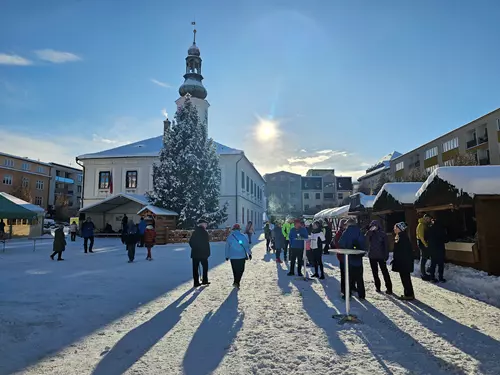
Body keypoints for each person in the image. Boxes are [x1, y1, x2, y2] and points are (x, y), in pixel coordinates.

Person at [339, 218, 366, 299]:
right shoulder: (359, 231)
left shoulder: (346, 232)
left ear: (349, 224)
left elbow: (341, 243)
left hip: (349, 259)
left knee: (348, 277)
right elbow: (363, 243)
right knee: (359, 278)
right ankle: (362, 295)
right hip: (358, 258)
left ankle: (348, 294)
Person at [366, 220, 393, 294]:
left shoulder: (383, 234)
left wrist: (386, 255)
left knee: (385, 272)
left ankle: (389, 288)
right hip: (372, 256)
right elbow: (366, 240)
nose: (373, 227)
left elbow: (386, 246)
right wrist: (369, 231)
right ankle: (377, 287)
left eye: (375, 226)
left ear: (378, 226)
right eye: (372, 226)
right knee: (375, 273)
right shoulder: (370, 234)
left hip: (381, 256)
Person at [392, 222, 415, 300]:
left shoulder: (402, 238)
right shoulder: (400, 236)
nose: (394, 229)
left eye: (396, 228)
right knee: (405, 278)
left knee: (405, 278)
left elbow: (401, 252)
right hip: (404, 262)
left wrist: (397, 260)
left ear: (400, 229)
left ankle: (409, 294)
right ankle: (408, 293)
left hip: (404, 262)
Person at [225, 223, 252, 288]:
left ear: (233, 230)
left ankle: (235, 281)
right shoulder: (243, 236)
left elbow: (227, 247)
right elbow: (246, 246)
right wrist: (249, 254)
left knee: (235, 270)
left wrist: (227, 256)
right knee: (241, 270)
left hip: (233, 257)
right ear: (239, 229)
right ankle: (237, 281)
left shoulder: (230, 237)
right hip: (241, 256)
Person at [189, 218, 211, 287]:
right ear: (203, 224)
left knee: (195, 268)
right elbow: (206, 244)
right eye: (206, 224)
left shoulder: (195, 232)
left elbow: (190, 242)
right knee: (205, 267)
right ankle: (205, 280)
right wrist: (208, 252)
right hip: (203, 254)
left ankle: (196, 282)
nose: (206, 225)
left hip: (195, 253)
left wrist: (195, 248)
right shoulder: (205, 232)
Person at [427, 218, 448, 283]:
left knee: (433, 264)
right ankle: (441, 277)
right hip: (440, 249)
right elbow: (446, 240)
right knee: (440, 264)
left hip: (432, 249)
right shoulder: (441, 229)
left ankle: (432, 277)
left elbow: (427, 238)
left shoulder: (430, 229)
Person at [416, 214, 431, 280]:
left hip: (423, 242)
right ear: (425, 218)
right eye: (428, 218)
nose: (429, 220)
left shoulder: (424, 224)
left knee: (425, 257)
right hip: (422, 243)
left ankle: (424, 272)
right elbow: (421, 236)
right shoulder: (421, 225)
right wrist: (425, 244)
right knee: (423, 258)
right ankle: (423, 274)